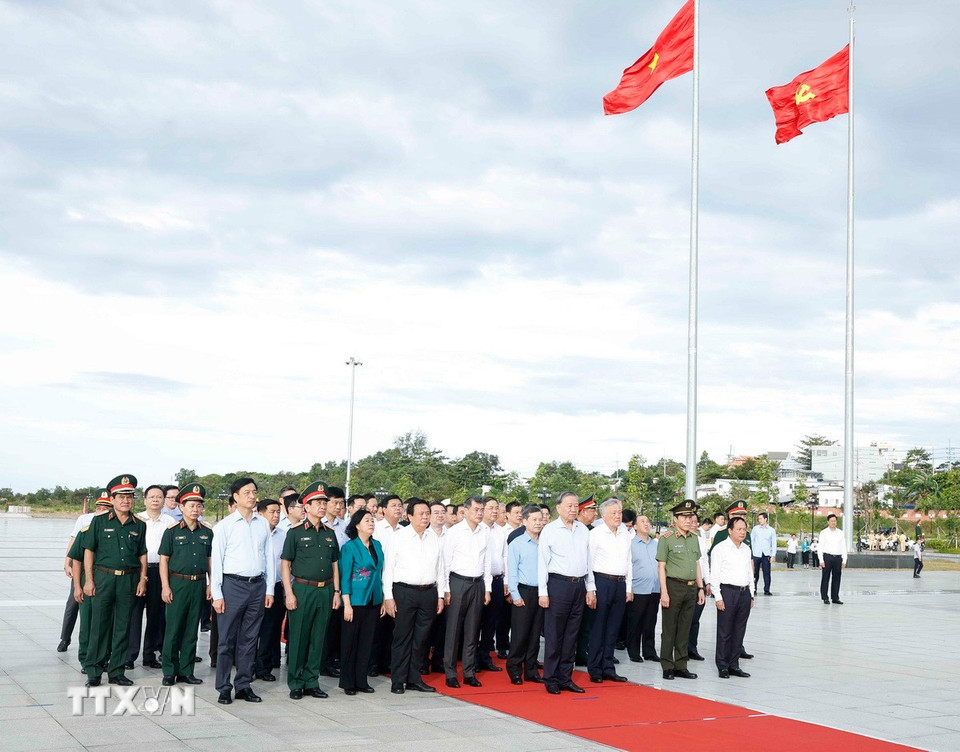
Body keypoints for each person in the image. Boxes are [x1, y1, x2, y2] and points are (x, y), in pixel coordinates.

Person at [211, 477, 275, 704]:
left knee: (250, 638)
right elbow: (216, 561)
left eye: (254, 491)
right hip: (232, 585)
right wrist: (217, 593)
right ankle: (224, 687)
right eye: (246, 492)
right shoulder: (224, 526)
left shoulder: (262, 524)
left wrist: (269, 590)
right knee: (226, 640)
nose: (252, 496)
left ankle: (244, 684)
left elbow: (269, 558)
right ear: (235, 496)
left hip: (257, 586)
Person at [82, 474, 147, 687]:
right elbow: (89, 551)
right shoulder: (99, 521)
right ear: (112, 498)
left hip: (128, 580)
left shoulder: (139, 524)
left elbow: (142, 554)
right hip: (104, 578)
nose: (126, 501)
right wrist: (89, 580)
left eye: (129, 496)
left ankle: (117, 671)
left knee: (123, 626)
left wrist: (142, 579)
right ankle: (94, 669)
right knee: (99, 625)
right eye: (121, 496)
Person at [281, 481, 341, 700]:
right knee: (299, 637)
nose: (322, 506)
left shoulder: (329, 533)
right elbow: (285, 564)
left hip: (325, 590)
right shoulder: (295, 533)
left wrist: (336, 592)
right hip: (302, 589)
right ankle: (296, 682)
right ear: (306, 506)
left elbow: (335, 564)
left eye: (324, 502)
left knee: (318, 638)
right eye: (317, 502)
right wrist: (289, 593)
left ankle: (311, 681)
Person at [383, 498, 443, 694]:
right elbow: (388, 568)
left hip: (428, 593)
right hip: (404, 592)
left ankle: (414, 678)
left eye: (428, 513)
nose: (426, 517)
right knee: (402, 637)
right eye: (422, 513)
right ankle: (398, 680)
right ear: (409, 516)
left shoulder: (433, 537)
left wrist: (440, 595)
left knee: (422, 639)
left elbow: (440, 568)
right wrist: (388, 597)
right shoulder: (399, 537)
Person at [538, 491, 594, 695]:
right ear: (558, 508)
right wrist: (543, 592)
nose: (573, 509)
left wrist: (591, 588)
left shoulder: (583, 530)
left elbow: (589, 562)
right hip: (557, 585)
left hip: (579, 585)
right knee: (554, 634)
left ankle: (565, 677)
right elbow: (542, 563)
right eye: (569, 505)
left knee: (572, 634)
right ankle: (550, 678)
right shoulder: (550, 530)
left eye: (575, 505)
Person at [158, 483, 212, 686]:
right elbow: (164, 559)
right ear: (181, 507)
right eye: (191, 505)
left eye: (199, 506)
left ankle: (186, 670)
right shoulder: (171, 531)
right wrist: (165, 586)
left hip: (197, 585)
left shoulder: (206, 532)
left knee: (192, 630)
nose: (195, 509)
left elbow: (209, 560)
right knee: (173, 630)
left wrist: (210, 584)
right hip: (177, 584)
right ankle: (169, 671)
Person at [126, 484, 178, 670]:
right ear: (145, 499)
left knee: (156, 615)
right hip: (139, 571)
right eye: (152, 496)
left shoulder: (170, 522)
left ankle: (150, 655)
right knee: (134, 614)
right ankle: (129, 656)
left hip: (160, 571)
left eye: (159, 497)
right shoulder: (136, 519)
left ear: (164, 500)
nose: (155, 499)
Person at [443, 496, 491, 688]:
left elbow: (486, 562)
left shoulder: (484, 532)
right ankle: (450, 672)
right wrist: (445, 589)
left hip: (477, 583)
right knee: (453, 630)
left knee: (472, 630)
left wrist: (487, 588)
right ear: (466, 510)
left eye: (481, 510)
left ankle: (469, 672)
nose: (479, 513)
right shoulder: (454, 532)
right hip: (458, 582)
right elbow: (445, 562)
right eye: (476, 509)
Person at [58, 489, 112, 653]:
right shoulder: (85, 519)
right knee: (74, 603)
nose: (102, 508)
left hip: (102, 571)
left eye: (106, 506)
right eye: (100, 505)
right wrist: (67, 562)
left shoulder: (112, 521)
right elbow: (74, 541)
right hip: (81, 569)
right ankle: (65, 639)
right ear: (95, 505)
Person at [657, 499, 705, 681]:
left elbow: (696, 564)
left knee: (685, 628)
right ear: (675, 519)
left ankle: (681, 665)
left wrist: (700, 587)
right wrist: (664, 592)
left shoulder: (694, 539)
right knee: (670, 628)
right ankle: (667, 665)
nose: (688, 520)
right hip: (673, 586)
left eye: (690, 516)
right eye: (684, 516)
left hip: (691, 587)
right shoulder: (666, 539)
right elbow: (661, 567)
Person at [339, 509, 384, 695]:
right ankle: (348, 682)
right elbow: (345, 577)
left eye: (372, 520)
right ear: (357, 525)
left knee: (367, 642)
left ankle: (361, 680)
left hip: (373, 599)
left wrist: (381, 599)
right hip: (355, 600)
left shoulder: (378, 545)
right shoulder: (349, 547)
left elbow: (379, 572)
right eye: (367, 520)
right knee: (350, 642)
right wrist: (347, 604)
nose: (371, 523)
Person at [586, 499, 632, 683]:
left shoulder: (625, 533)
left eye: (619, 512)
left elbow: (629, 561)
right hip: (601, 581)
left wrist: (629, 587)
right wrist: (590, 588)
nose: (617, 516)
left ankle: (608, 667)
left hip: (620, 583)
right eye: (613, 513)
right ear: (603, 515)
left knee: (613, 628)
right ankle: (595, 668)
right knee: (599, 627)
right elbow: (588, 562)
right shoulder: (596, 534)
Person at [709, 517, 753, 679]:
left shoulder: (746, 549)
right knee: (725, 631)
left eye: (744, 529)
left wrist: (752, 594)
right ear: (730, 530)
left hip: (744, 593)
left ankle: (734, 664)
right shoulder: (720, 549)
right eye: (739, 529)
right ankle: (722, 665)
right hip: (727, 592)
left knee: (739, 631)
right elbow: (715, 575)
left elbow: (750, 572)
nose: (742, 532)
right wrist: (718, 597)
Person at [506, 504, 545, 684]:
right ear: (525, 521)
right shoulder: (517, 543)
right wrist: (515, 594)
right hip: (523, 591)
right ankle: (514, 668)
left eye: (540, 519)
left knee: (535, 634)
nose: (538, 523)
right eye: (534, 520)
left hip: (541, 592)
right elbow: (512, 571)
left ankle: (531, 670)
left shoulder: (545, 542)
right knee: (520, 634)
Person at [254, 498, 285, 682]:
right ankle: (247, 664)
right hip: (256, 586)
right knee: (251, 629)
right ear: (261, 513)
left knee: (270, 629)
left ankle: (263, 666)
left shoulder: (284, 534)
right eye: (272, 512)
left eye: (278, 512)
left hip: (277, 587)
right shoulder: (254, 534)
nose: (276, 515)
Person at [477, 496, 509, 672]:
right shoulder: (478, 529)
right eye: (491, 508)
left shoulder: (501, 531)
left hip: (497, 579)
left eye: (497, 508)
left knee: (491, 621)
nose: (495, 511)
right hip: (480, 581)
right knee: (476, 621)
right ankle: (473, 658)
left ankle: (485, 656)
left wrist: (506, 580)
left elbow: (505, 556)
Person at [321, 486, 348, 679]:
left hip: (338, 583)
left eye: (341, 503)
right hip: (320, 580)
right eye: (335, 503)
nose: (339, 507)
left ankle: (329, 662)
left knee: (333, 626)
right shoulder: (316, 524)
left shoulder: (345, 526)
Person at [625, 514, 660, 663]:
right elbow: (627, 567)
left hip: (654, 588)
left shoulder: (656, 544)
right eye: (642, 521)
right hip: (638, 588)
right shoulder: (630, 544)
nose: (646, 524)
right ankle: (633, 651)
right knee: (636, 621)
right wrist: (629, 587)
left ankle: (649, 651)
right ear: (635, 526)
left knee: (650, 621)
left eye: (648, 521)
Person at [423, 501, 449, 675]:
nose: (440, 515)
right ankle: (423, 661)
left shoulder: (452, 534)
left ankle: (438, 659)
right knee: (426, 627)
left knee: (443, 626)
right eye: (436, 512)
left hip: (447, 585)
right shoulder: (424, 535)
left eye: (443, 512)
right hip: (428, 586)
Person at [686, 515, 712, 662]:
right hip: (684, 582)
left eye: (696, 522)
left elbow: (704, 563)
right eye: (691, 522)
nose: (694, 524)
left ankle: (692, 648)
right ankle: (680, 648)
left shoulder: (701, 541)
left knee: (695, 619)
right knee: (684, 619)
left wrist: (707, 582)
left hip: (699, 583)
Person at [818, 514, 846, 604]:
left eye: (835, 521)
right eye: (832, 521)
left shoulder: (840, 533)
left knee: (837, 578)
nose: (833, 522)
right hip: (827, 557)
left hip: (838, 557)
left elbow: (843, 547)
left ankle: (835, 597)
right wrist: (821, 560)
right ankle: (825, 597)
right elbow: (820, 547)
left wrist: (844, 559)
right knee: (825, 577)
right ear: (828, 522)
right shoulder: (823, 533)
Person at [750, 512, 776, 596]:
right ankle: (754, 588)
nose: (759, 520)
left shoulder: (771, 530)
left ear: (766, 519)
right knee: (755, 573)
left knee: (767, 573)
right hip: (756, 554)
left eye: (761, 518)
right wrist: (751, 553)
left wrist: (773, 555)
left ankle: (767, 589)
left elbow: (774, 543)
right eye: (758, 518)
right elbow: (751, 540)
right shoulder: (755, 529)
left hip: (766, 554)